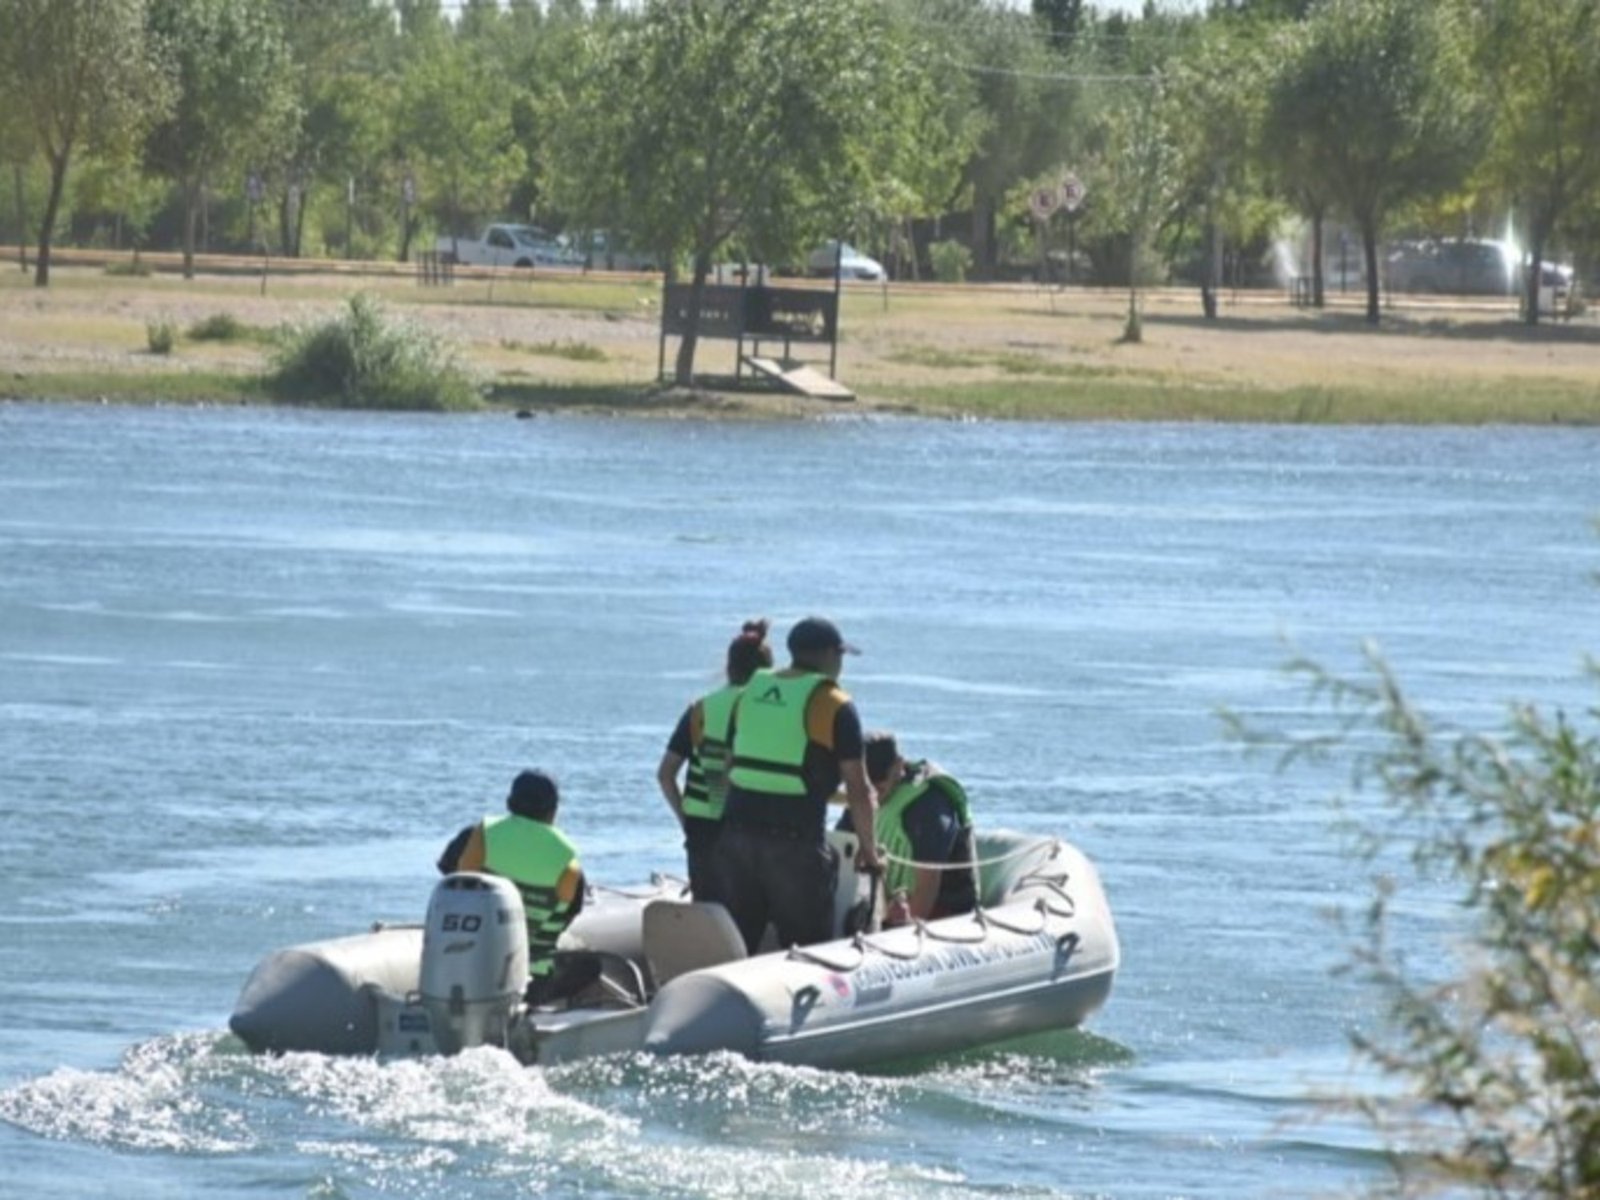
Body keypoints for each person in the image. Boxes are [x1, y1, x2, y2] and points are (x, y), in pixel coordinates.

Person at [712, 615, 882, 953]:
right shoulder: (833, 704)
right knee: (808, 948)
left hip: (734, 836)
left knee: (740, 943)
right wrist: (870, 852)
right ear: (828, 656)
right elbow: (859, 789)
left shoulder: (750, 693)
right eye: (841, 656)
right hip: (793, 843)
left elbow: (733, 764)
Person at [437, 769, 589, 1003]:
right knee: (590, 965)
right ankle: (543, 1010)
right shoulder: (568, 860)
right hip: (529, 980)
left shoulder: (479, 835)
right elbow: (567, 916)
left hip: (463, 965)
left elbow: (448, 875)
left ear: (509, 802)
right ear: (554, 811)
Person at [656, 618, 774, 901]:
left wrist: (686, 821)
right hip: (748, 828)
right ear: (767, 671)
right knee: (749, 915)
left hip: (700, 827)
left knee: (707, 911)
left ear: (728, 667)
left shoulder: (700, 709)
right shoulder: (765, 711)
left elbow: (665, 775)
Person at [840, 732, 977, 927]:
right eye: (867, 788)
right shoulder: (862, 797)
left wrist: (904, 926)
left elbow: (928, 886)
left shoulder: (928, 805)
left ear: (899, 765)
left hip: (942, 910)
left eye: (879, 786)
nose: (874, 796)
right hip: (885, 906)